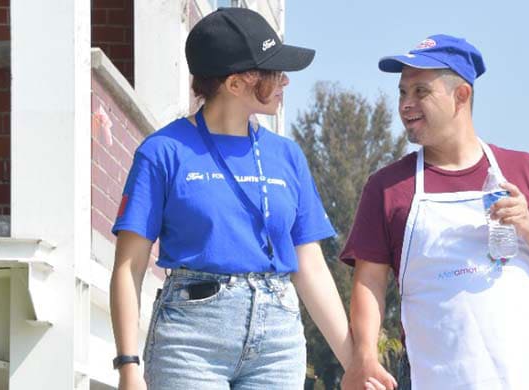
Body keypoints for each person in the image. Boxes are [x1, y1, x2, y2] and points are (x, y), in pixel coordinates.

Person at [108, 8, 387, 390]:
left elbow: (310, 266)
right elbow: (129, 266)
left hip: (278, 339)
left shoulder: (287, 156)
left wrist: (355, 363)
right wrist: (128, 366)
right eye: (274, 72)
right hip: (191, 340)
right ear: (236, 84)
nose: (285, 81)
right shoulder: (163, 152)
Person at [340, 34, 529, 390]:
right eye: (402, 93)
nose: (406, 104)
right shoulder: (388, 187)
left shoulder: (524, 170)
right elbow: (369, 282)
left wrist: (527, 223)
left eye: (420, 92)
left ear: (461, 96)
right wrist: (365, 357)